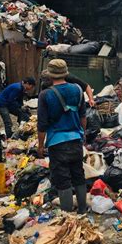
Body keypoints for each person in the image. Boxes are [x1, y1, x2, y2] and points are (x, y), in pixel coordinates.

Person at [37, 59, 87, 214]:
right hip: (75, 140)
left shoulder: (45, 95)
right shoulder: (78, 90)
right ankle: (83, 210)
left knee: (62, 179)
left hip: (57, 144)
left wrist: (40, 145)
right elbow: (83, 117)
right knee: (78, 174)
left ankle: (67, 215)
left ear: (50, 76)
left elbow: (42, 124)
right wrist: (82, 135)